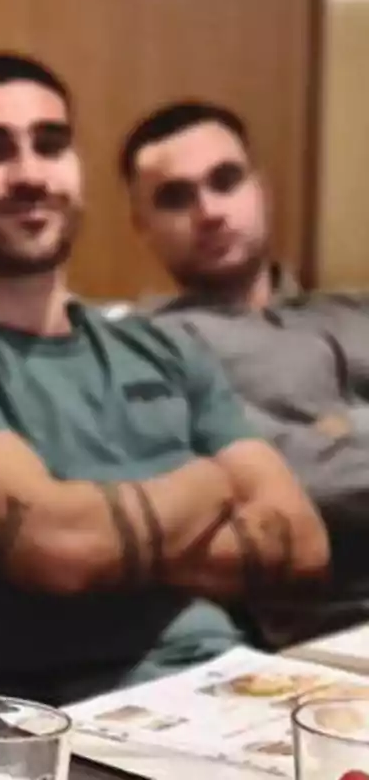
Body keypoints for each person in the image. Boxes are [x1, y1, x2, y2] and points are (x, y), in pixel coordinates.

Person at [0, 53, 332, 712]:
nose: (29, 174)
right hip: (54, 720)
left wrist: (108, 533)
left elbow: (300, 541)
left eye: (51, 144)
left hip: (241, 687)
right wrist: (215, 482)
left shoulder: (156, 344)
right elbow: (63, 547)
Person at [122, 101, 369, 639]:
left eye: (225, 180)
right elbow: (300, 481)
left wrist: (342, 430)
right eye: (175, 198)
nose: (209, 211)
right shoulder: (152, 347)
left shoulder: (351, 312)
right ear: (143, 226)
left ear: (260, 190)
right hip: (333, 626)